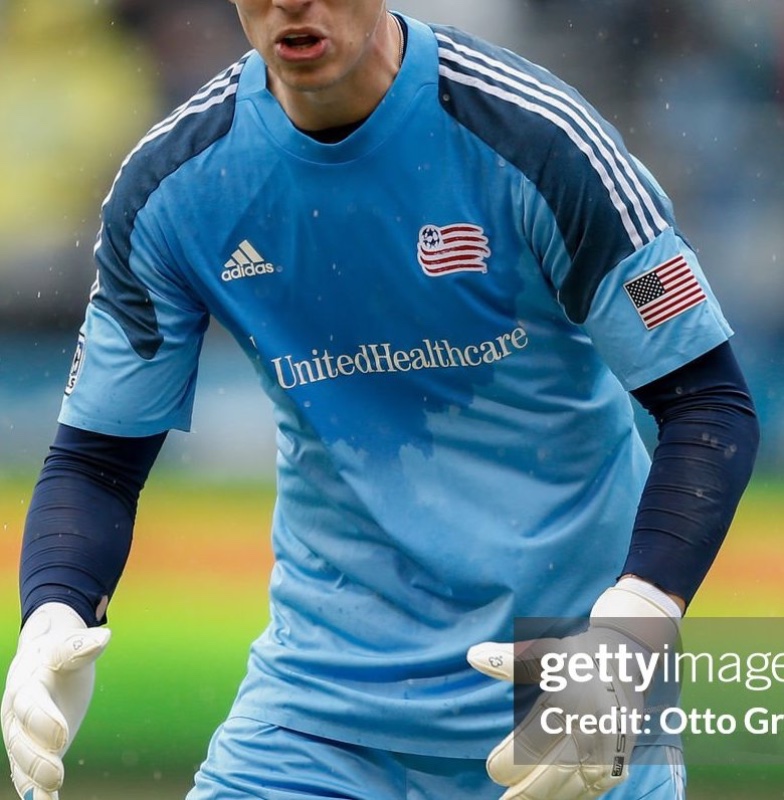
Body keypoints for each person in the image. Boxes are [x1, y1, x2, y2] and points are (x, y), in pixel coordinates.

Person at [2, 2, 759, 799]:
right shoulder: (176, 184)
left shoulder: (538, 139)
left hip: (568, 692)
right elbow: (97, 461)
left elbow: (707, 404)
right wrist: (53, 609)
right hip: (316, 721)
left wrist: (636, 624)